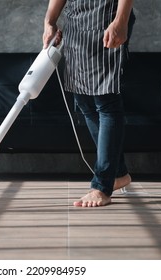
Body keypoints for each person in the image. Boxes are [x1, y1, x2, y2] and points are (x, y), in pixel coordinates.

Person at [43, 0, 135, 207]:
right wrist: (49, 21)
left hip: (106, 20)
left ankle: (102, 186)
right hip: (76, 24)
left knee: (106, 101)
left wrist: (121, 21)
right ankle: (118, 174)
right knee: (84, 102)